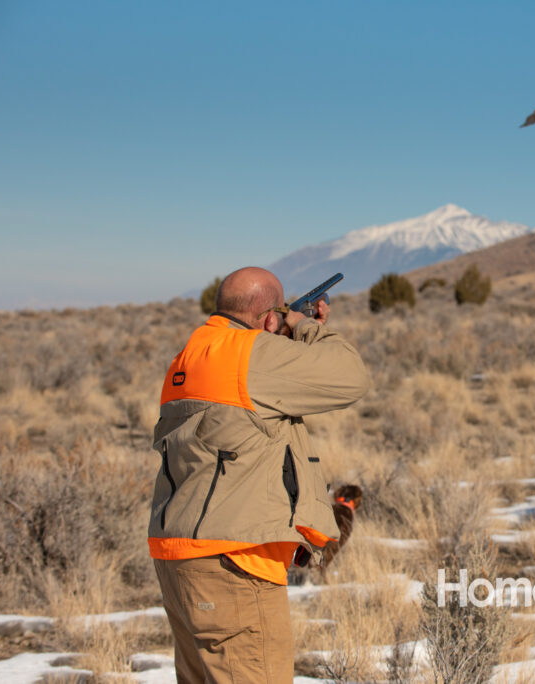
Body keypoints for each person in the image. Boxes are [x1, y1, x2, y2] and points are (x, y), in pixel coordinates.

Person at [148, 266, 369, 683]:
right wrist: (305, 329)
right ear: (270, 318)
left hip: (180, 558)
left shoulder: (192, 353)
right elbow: (351, 377)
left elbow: (245, 405)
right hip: (235, 564)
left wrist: (282, 337)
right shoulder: (252, 356)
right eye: (280, 314)